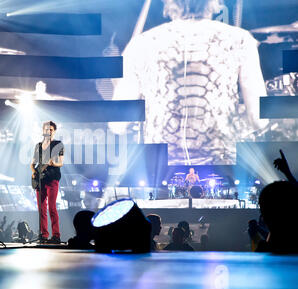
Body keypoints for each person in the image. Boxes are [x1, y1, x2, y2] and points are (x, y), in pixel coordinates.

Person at [113, 0, 267, 165]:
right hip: (222, 165)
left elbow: (118, 123)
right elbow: (259, 118)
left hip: (161, 169)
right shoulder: (240, 40)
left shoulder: (140, 44)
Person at [30, 121, 64, 244]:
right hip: (40, 180)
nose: (48, 131)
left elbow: (61, 162)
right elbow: (32, 163)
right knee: (41, 208)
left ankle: (56, 235)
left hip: (52, 178)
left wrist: (53, 163)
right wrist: (34, 172)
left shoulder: (58, 144)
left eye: (51, 129)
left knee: (52, 207)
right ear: (43, 131)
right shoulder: (38, 145)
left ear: (54, 131)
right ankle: (44, 235)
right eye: (46, 129)